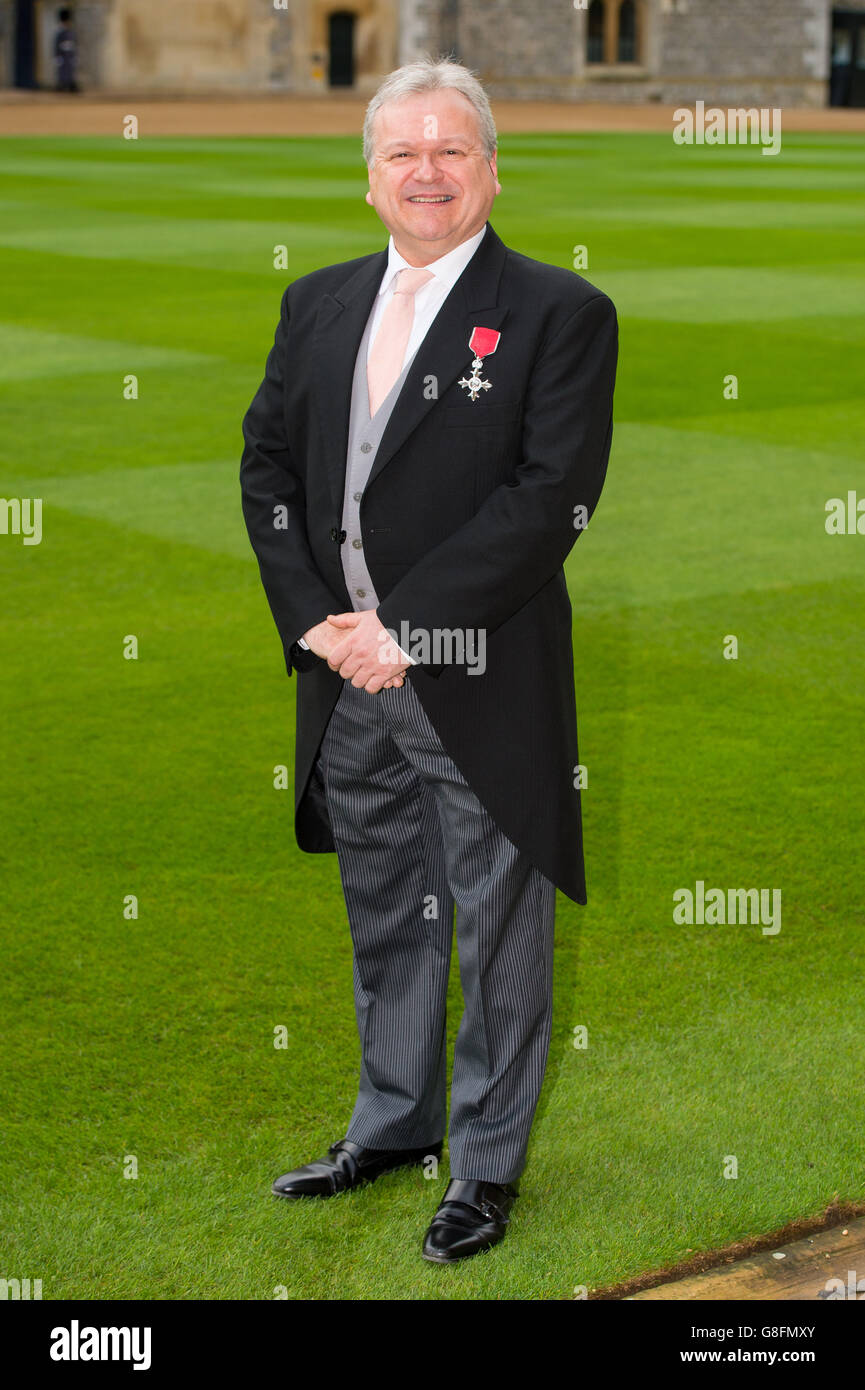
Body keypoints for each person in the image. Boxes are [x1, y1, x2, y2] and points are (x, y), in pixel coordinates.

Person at [240, 55, 618, 1264]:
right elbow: (267, 470)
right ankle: (393, 1126)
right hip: (343, 675)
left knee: (498, 930)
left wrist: (400, 626)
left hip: (472, 673)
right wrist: (316, 620)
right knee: (389, 911)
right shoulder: (316, 304)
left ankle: (485, 1165)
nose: (427, 172)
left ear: (492, 171)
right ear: (368, 179)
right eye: (403, 152)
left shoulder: (560, 313)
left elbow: (548, 497)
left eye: (452, 150)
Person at [54, 7, 79, 94]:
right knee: (62, 71)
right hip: (63, 54)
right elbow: (57, 44)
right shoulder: (60, 32)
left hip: (70, 54)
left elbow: (75, 44)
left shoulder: (71, 32)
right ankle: (62, 85)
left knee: (71, 70)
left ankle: (71, 85)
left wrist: (75, 56)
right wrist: (57, 56)